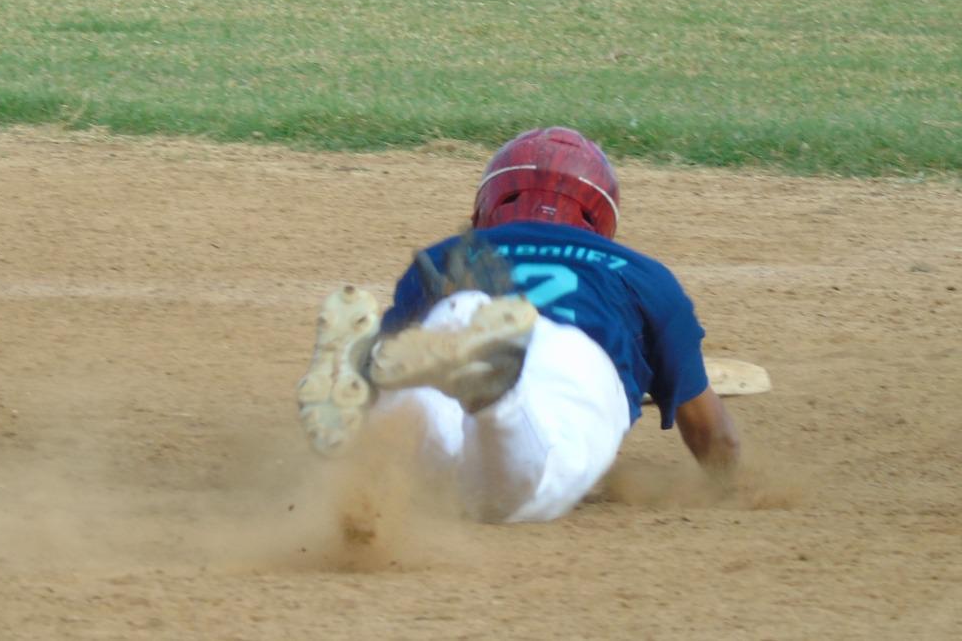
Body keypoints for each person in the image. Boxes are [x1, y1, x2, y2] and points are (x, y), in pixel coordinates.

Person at [296, 126, 740, 522]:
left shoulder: (445, 254)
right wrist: (735, 487)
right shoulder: (641, 274)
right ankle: (496, 394)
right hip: (577, 363)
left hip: (461, 315)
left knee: (426, 448)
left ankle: (368, 392)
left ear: (489, 203)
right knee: (511, 494)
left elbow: (403, 345)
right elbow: (713, 437)